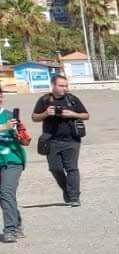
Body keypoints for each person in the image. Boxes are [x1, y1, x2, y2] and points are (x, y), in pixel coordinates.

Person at [31, 76, 87, 207]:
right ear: (53, 86)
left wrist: (73, 114)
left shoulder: (72, 99)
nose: (65, 88)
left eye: (66, 86)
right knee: (55, 169)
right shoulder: (45, 100)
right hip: (51, 140)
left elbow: (86, 115)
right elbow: (34, 117)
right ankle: (67, 190)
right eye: (62, 86)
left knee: (72, 168)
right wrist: (46, 113)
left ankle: (74, 197)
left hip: (72, 140)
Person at [0, 101, 26, 241]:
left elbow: (25, 140)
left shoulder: (9, 115)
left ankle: (10, 229)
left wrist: (19, 133)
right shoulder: (6, 122)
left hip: (12, 160)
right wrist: (4, 127)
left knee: (6, 192)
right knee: (4, 196)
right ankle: (16, 222)